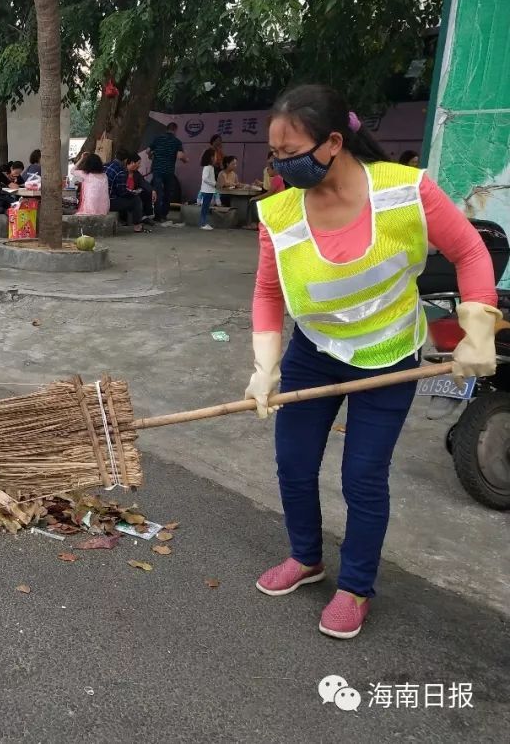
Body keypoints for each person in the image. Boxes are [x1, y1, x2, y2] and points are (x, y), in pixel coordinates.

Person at [246, 84, 497, 639]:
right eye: (275, 154)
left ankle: (355, 586)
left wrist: (477, 329)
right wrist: (265, 367)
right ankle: (306, 557)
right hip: (315, 350)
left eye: (292, 154)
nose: (281, 166)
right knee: (292, 462)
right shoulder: (279, 214)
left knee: (362, 475)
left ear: (334, 142)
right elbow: (268, 292)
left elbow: (471, 251)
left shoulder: (404, 192)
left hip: (389, 354)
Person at [147, 122, 187, 221]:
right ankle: (164, 215)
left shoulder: (158, 139)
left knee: (158, 193)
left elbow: (148, 151)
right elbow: (180, 156)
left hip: (157, 170)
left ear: (166, 129)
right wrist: (186, 159)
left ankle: (157, 216)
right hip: (169, 171)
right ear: (175, 130)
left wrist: (151, 155)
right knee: (168, 193)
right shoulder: (177, 141)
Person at [105, 150, 149, 232]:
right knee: (136, 200)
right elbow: (122, 192)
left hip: (97, 201)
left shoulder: (105, 166)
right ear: (126, 160)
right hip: (108, 202)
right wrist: (132, 192)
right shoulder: (120, 171)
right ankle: (137, 226)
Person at [197, 149, 217, 230]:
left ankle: (204, 222)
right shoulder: (208, 167)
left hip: (209, 190)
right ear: (212, 158)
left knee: (206, 208)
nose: (216, 158)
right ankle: (203, 223)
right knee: (204, 208)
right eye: (215, 156)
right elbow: (205, 178)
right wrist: (214, 183)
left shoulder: (211, 167)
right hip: (206, 191)